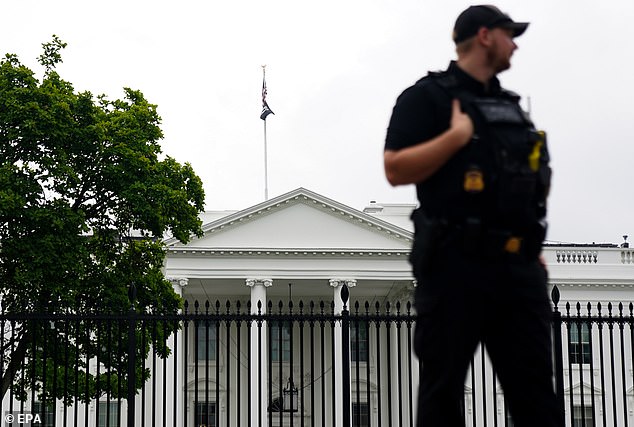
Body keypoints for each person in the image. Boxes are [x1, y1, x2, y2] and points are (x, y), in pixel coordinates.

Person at [384, 5, 562, 427]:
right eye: (509, 33)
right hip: (454, 264)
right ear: (484, 36)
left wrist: (528, 243)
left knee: (536, 395)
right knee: (442, 394)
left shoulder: (512, 108)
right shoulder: (427, 97)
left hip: (518, 267)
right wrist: (455, 138)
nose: (515, 43)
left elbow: (526, 181)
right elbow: (394, 168)